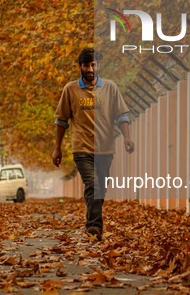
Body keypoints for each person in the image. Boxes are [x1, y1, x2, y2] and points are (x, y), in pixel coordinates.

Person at [52, 48, 134, 241]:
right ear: (80, 66)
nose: (90, 68)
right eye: (87, 65)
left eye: (94, 64)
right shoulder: (70, 89)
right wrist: (57, 148)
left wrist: (128, 138)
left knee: (101, 188)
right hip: (82, 148)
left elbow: (121, 115)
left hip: (105, 149)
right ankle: (94, 227)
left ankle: (92, 221)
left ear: (99, 65)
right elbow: (62, 121)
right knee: (94, 184)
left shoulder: (111, 88)